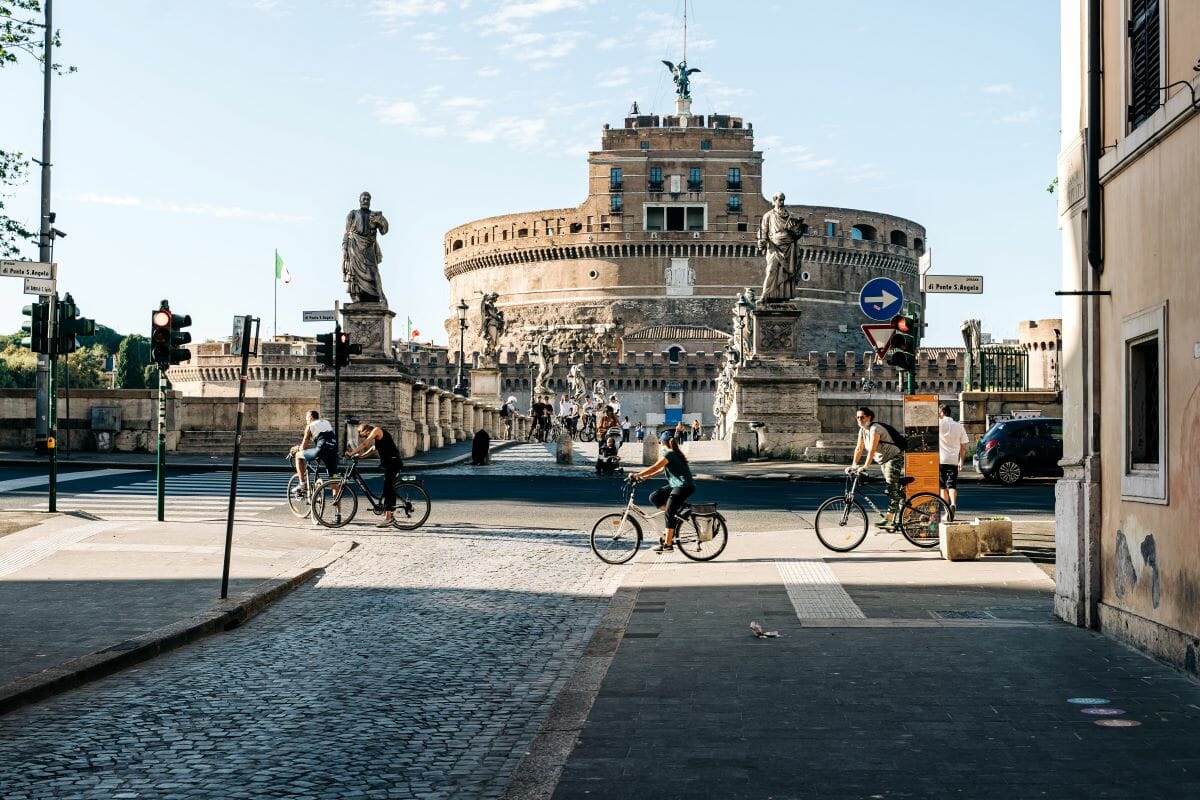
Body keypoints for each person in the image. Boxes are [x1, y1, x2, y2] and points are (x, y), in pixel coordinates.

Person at [631, 430, 696, 553]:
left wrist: (637, 474)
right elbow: (660, 470)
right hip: (677, 485)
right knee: (654, 497)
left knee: (669, 513)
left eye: (660, 442)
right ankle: (675, 514)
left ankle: (668, 544)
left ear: (662, 442)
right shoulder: (672, 453)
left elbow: (655, 466)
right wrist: (644, 477)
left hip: (684, 486)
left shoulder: (670, 454)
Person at [848, 406, 905, 530]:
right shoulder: (862, 431)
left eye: (862, 417)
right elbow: (859, 449)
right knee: (895, 489)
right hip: (883, 460)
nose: (859, 420)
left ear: (869, 417)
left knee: (891, 487)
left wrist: (865, 466)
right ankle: (906, 515)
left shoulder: (875, 429)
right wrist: (853, 465)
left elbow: (872, 449)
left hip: (894, 457)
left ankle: (889, 519)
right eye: (857, 417)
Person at [345, 422, 404, 527]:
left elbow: (365, 444)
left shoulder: (377, 430)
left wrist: (351, 453)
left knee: (388, 488)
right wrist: (362, 456)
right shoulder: (378, 437)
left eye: (365, 435)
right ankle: (389, 514)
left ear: (365, 430)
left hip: (394, 463)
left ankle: (389, 518)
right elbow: (373, 449)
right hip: (389, 464)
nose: (366, 437)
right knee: (388, 488)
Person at [342, 191, 389, 304]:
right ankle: (356, 295)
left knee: (374, 272)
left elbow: (384, 231)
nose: (365, 201)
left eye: (368, 199)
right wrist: (344, 247)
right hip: (354, 247)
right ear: (360, 200)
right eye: (363, 199)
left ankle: (379, 295)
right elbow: (347, 232)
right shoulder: (352, 214)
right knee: (354, 273)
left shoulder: (374, 215)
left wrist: (382, 221)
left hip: (368, 247)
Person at [757, 191, 805, 302]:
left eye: (783, 199)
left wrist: (796, 229)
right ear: (774, 200)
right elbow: (763, 231)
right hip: (774, 246)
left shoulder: (790, 216)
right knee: (771, 270)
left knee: (787, 273)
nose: (782, 202)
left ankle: (784, 295)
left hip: (789, 246)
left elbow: (797, 234)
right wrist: (762, 241)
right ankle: (765, 295)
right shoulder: (768, 215)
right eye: (779, 199)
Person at [289, 410, 337, 490]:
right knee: (334, 481)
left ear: (310, 418)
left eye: (307, 420)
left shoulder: (310, 426)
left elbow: (303, 447)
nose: (307, 422)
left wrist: (296, 448)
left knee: (298, 455)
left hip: (321, 450)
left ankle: (302, 483)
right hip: (333, 450)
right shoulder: (326, 422)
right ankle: (337, 501)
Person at [938, 404, 969, 520]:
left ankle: (946, 511)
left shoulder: (938, 425)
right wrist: (961, 461)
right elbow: (964, 447)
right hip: (953, 461)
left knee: (942, 487)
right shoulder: (959, 426)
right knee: (951, 485)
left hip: (940, 460)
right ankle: (953, 504)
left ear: (941, 413)